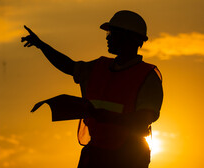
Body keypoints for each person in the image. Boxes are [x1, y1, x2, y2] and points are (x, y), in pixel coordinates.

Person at [21, 10, 163, 168]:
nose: (107, 37)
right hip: (96, 152)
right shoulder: (99, 67)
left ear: (127, 37)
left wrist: (107, 117)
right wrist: (41, 45)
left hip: (127, 155)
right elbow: (69, 66)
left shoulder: (146, 76)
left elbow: (145, 118)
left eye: (112, 33)